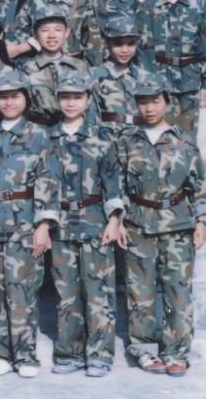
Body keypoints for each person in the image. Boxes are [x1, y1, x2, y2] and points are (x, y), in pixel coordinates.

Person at [117, 72, 206, 377]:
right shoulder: (125, 141)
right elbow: (115, 184)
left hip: (178, 226)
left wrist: (201, 221)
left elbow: (199, 186)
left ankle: (176, 351)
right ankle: (143, 349)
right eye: (143, 102)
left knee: (177, 292)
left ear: (167, 102)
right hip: (137, 225)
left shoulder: (184, 141)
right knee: (139, 292)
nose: (149, 108)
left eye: (155, 101)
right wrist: (117, 219)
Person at [42, 71, 124, 378]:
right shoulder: (47, 137)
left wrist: (114, 219)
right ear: (57, 99)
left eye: (77, 97)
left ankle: (100, 354)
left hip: (94, 222)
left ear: (88, 100)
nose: (71, 103)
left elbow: (113, 181)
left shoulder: (103, 136)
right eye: (65, 97)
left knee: (99, 292)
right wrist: (44, 222)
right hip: (61, 225)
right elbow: (43, 183)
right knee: (66, 292)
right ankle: (69, 353)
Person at [0, 69, 55, 379]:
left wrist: (44, 224)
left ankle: (25, 356)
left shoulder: (39, 135)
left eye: (15, 96)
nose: (9, 102)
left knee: (22, 291)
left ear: (26, 98)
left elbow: (48, 179)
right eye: (3, 97)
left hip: (24, 223)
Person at [134, 0, 206, 137]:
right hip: (160, 85)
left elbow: (204, 51)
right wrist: (149, 86)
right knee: (161, 138)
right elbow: (143, 51)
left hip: (190, 84)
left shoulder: (197, 8)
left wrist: (204, 86)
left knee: (187, 139)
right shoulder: (147, 8)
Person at [21, 3, 90, 126]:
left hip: (74, 129)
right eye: (44, 30)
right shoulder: (26, 68)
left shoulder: (80, 66)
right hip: (38, 130)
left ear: (66, 33)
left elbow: (91, 105)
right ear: (34, 34)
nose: (52, 35)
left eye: (58, 30)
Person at [90, 13, 151, 132]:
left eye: (131, 44)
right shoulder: (94, 76)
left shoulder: (145, 77)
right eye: (118, 44)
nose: (125, 50)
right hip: (107, 137)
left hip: (140, 138)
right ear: (107, 43)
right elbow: (90, 116)